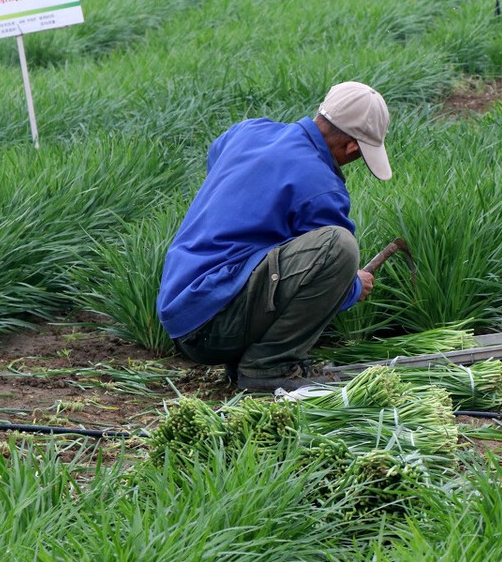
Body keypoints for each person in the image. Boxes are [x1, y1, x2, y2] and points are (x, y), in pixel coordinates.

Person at [157, 81, 391, 392]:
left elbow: (216, 154)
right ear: (351, 148)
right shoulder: (322, 187)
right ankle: (268, 366)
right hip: (211, 328)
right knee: (340, 247)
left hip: (181, 310)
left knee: (261, 253)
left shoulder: (249, 132)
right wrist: (352, 288)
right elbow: (328, 266)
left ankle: (246, 356)